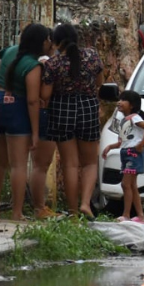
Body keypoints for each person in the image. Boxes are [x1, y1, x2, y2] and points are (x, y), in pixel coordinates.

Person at [37, 23, 104, 218]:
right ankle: (86, 203)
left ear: (56, 42)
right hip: (88, 108)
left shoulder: (53, 63)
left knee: (70, 164)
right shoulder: (92, 56)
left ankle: (73, 212)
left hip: (62, 110)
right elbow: (99, 82)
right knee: (90, 162)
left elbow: (45, 94)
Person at [0, 23, 52, 221]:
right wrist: (35, 133)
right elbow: (32, 100)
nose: (49, 42)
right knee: (18, 165)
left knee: (0, 162)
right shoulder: (33, 65)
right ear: (42, 42)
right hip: (17, 110)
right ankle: (16, 212)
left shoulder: (10, 52)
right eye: (47, 39)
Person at [102, 90, 144, 223]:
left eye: (123, 100)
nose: (119, 102)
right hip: (126, 153)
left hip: (133, 154)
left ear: (132, 105)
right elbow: (122, 142)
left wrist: (140, 145)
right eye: (119, 99)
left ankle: (126, 215)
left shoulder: (134, 117)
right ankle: (140, 216)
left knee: (126, 184)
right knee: (132, 186)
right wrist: (109, 147)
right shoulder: (124, 121)